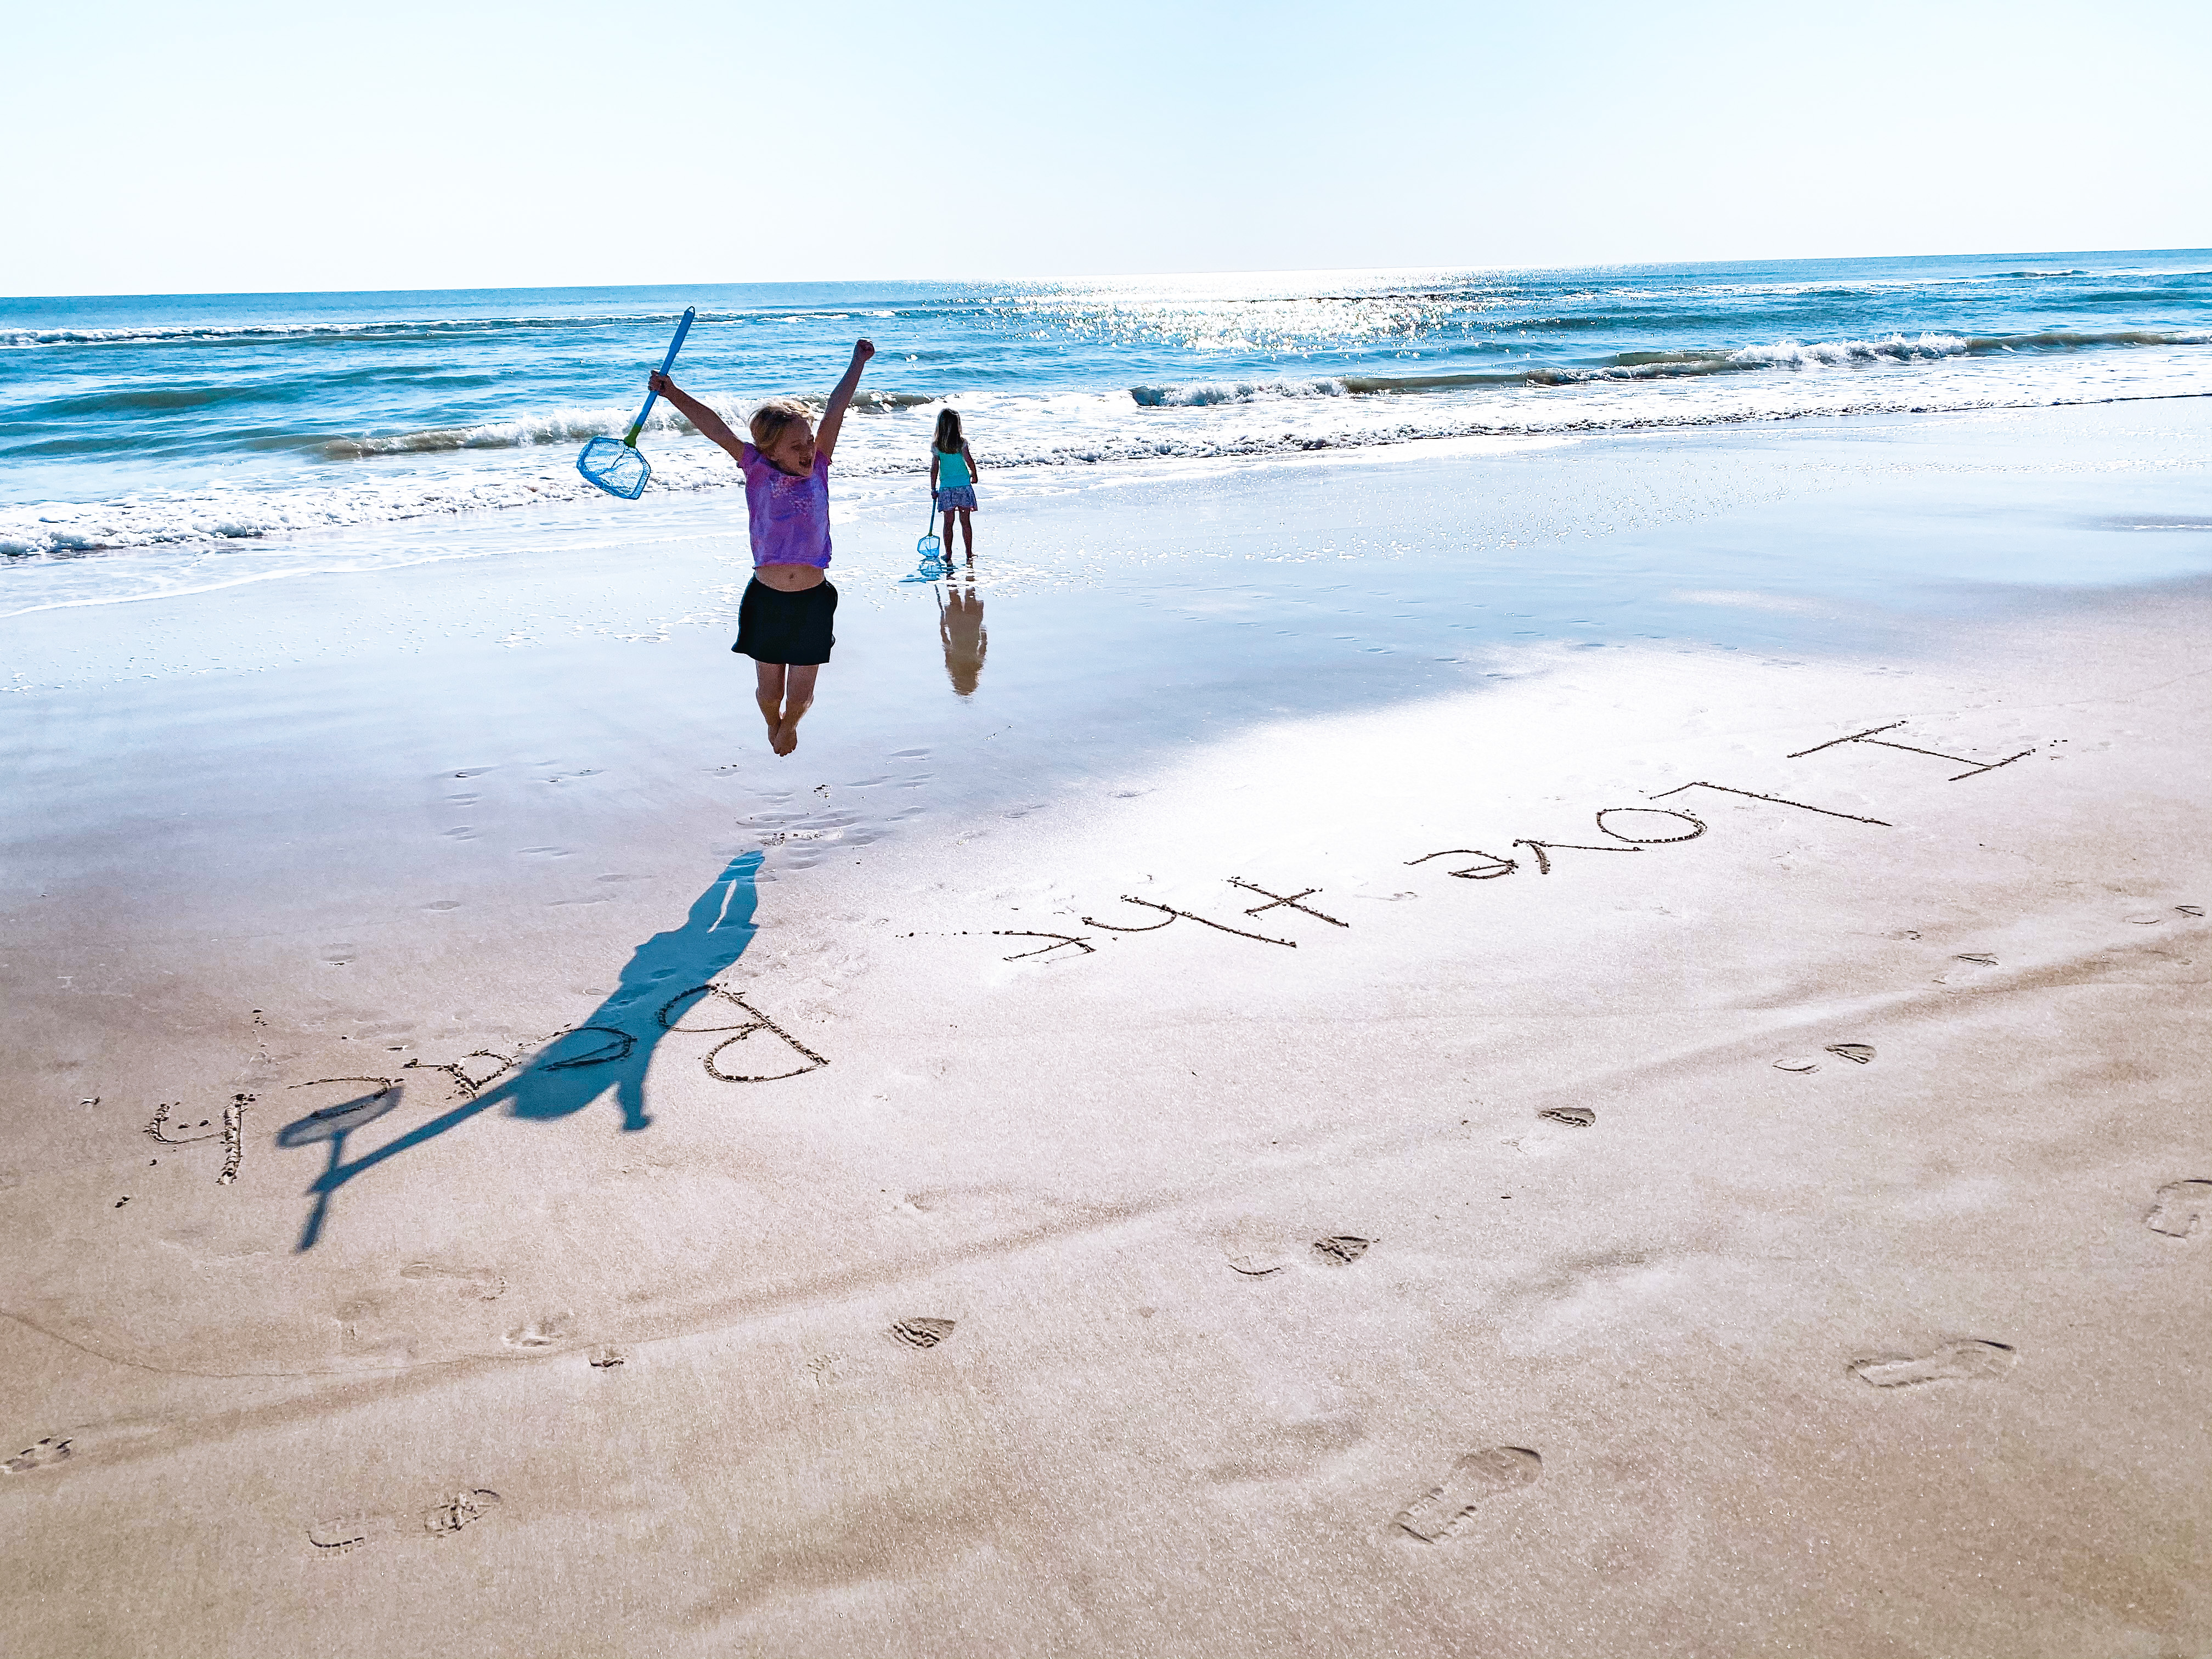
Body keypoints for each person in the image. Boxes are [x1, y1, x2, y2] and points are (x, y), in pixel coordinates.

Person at [649, 338, 874, 754]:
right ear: (769, 450)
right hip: (767, 600)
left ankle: (790, 726)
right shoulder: (754, 468)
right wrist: (673, 393)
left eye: (809, 441)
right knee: (769, 692)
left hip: (813, 600)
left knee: (803, 695)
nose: (809, 449)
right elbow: (714, 427)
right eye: (797, 446)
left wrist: (856, 362)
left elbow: (836, 409)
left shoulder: (819, 465)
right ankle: (773, 722)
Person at [928, 408, 979, 561]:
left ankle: (949, 554)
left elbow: (934, 469)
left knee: (948, 523)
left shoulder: (937, 445)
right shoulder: (961, 443)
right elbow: (969, 460)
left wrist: (933, 488)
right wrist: (974, 474)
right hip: (963, 487)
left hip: (947, 489)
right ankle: (969, 553)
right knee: (965, 522)